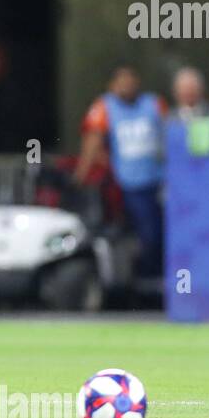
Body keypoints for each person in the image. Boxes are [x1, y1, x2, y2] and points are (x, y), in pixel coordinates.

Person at [74, 64, 166, 280]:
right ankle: (145, 276)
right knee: (148, 234)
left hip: (159, 180)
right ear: (112, 86)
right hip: (128, 183)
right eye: (121, 83)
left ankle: (156, 276)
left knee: (163, 232)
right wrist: (79, 178)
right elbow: (92, 144)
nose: (127, 87)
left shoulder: (153, 104)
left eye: (130, 82)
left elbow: (169, 136)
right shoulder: (105, 106)